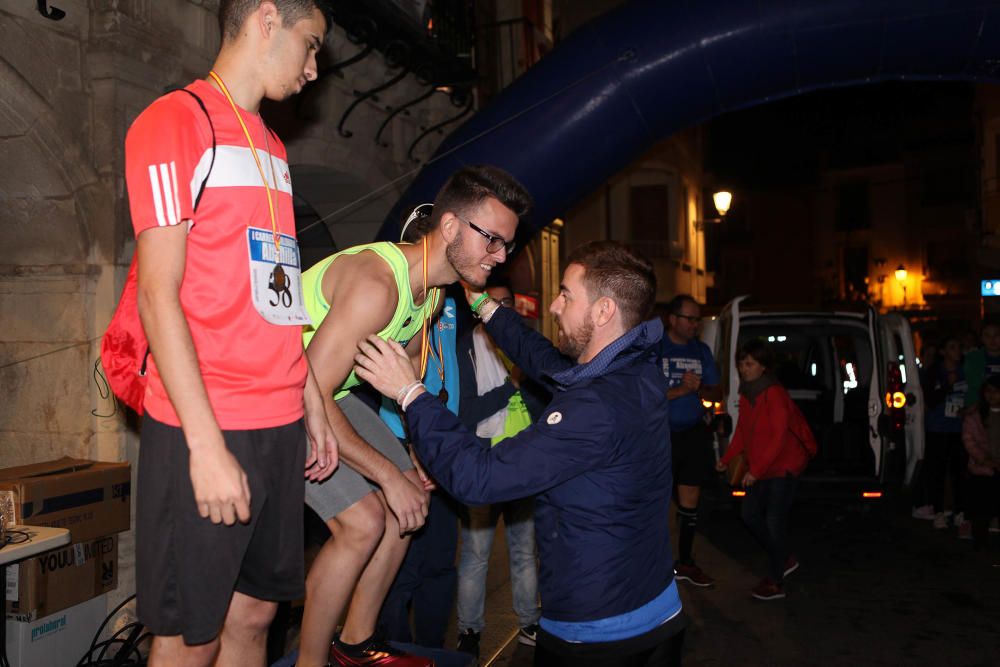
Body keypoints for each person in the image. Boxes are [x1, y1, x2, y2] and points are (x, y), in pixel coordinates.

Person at [125, 2, 338, 665]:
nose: (314, 69)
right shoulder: (174, 122)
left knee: (255, 615)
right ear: (266, 19)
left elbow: (275, 294)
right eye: (311, 45)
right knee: (193, 634)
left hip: (277, 421)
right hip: (207, 420)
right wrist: (205, 445)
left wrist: (308, 397)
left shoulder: (272, 146)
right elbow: (157, 294)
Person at [355, 241, 686, 667]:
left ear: (603, 311)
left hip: (600, 635)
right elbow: (546, 361)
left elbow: (480, 479)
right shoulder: (636, 369)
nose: (553, 306)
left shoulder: (594, 409)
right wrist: (486, 308)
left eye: (566, 294)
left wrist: (410, 392)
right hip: (656, 609)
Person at [297, 166, 531, 667]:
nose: (500, 257)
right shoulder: (377, 285)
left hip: (327, 392)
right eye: (491, 240)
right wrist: (386, 473)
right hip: (281, 390)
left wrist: (410, 457)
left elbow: (387, 385)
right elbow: (308, 387)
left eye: (506, 245)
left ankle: (355, 644)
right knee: (364, 522)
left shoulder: (430, 295)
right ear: (449, 227)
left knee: (411, 506)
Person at [455, 280, 541, 660]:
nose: (501, 308)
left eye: (507, 303)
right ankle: (469, 631)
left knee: (524, 551)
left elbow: (545, 403)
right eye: (494, 302)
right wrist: (511, 385)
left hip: (525, 463)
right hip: (485, 462)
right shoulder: (466, 347)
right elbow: (467, 412)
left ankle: (529, 623)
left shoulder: (527, 346)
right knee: (476, 555)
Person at [716, 340, 812, 601]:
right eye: (741, 364)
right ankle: (784, 557)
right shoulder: (748, 394)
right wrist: (726, 458)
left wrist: (755, 471)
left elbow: (778, 438)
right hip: (762, 467)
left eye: (749, 364)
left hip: (784, 465)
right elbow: (743, 433)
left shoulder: (775, 394)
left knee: (773, 520)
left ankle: (775, 581)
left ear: (764, 367)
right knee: (749, 515)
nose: (743, 369)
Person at [659, 294, 722, 587]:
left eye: (698, 319)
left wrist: (699, 392)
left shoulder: (701, 351)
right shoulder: (655, 349)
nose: (695, 325)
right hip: (659, 435)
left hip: (693, 433)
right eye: (690, 319)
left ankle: (685, 562)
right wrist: (681, 390)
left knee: (690, 502)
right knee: (655, 501)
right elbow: (644, 396)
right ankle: (653, 566)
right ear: (673, 319)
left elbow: (715, 393)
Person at [919, 336, 968, 529]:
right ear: (943, 352)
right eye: (952, 347)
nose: (957, 351)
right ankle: (938, 511)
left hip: (958, 428)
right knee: (937, 471)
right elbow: (930, 400)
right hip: (937, 429)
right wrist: (947, 385)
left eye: (959, 347)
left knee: (958, 471)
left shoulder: (964, 371)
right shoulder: (934, 372)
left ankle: (959, 512)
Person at [961, 375, 1000, 551]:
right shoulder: (975, 416)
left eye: (996, 391)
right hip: (981, 470)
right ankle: (980, 541)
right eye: (988, 391)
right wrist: (984, 459)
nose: (991, 395)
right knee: (981, 509)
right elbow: (969, 439)